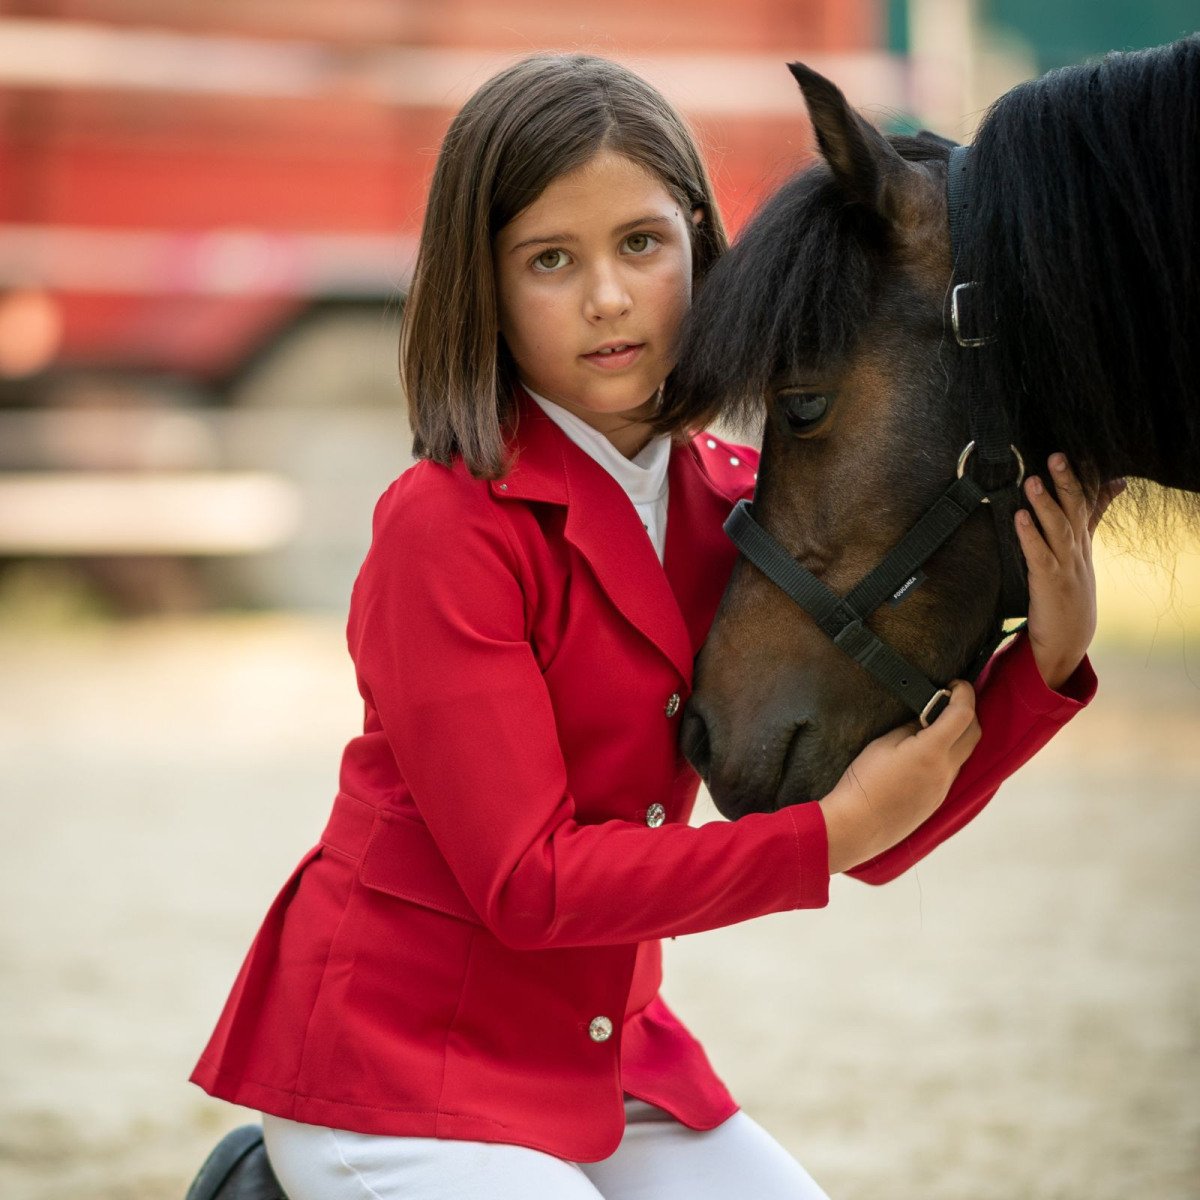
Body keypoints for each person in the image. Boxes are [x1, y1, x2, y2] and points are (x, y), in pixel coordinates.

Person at [188, 52, 1113, 1200]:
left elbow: (871, 830)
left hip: (609, 1063)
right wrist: (824, 840)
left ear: (700, 246)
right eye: (549, 261)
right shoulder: (443, 526)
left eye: (640, 244)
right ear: (482, 288)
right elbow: (530, 886)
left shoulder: (740, 508)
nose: (609, 298)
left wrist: (1044, 668)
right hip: (392, 1067)